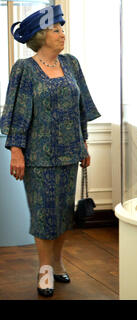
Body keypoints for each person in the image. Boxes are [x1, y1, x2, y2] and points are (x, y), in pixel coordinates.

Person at [0, 5, 101, 297]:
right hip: (38, 157)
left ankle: (57, 263)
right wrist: (16, 151)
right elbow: (17, 112)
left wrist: (83, 142)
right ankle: (44, 269)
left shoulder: (71, 64)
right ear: (41, 35)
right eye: (56, 30)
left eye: (61, 29)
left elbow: (80, 108)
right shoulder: (24, 69)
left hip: (70, 153)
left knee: (62, 214)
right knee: (44, 214)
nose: (62, 34)